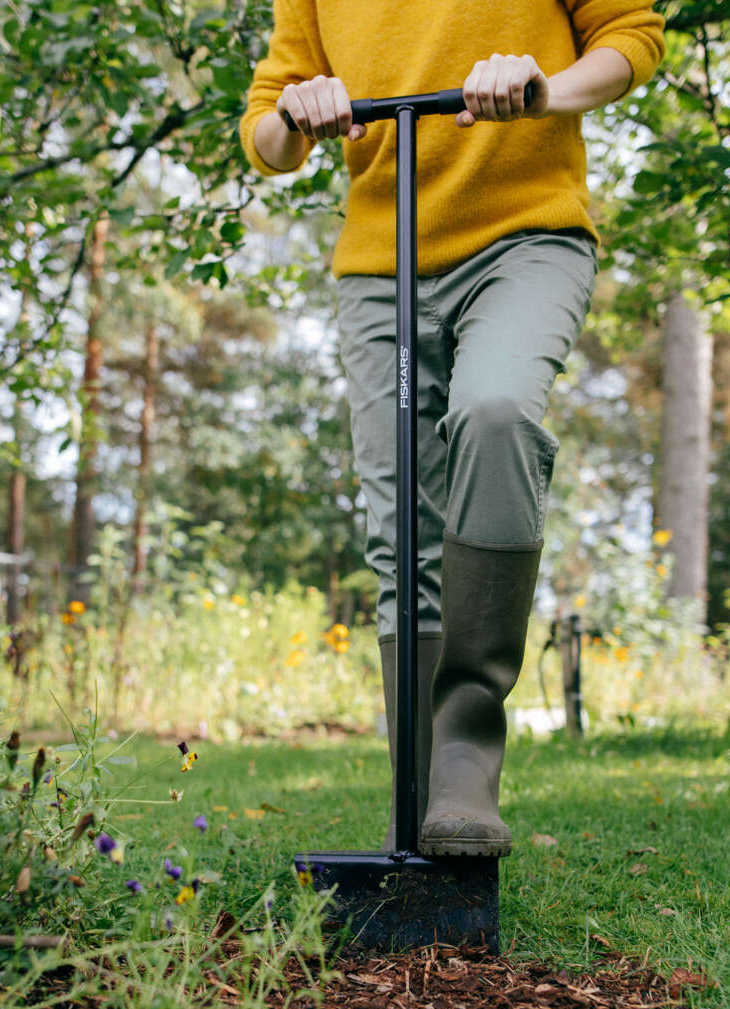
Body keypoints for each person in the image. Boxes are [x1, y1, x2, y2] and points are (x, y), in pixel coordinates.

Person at [240, 2, 665, 856]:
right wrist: (297, 113)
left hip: (523, 237)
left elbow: (632, 38)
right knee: (401, 524)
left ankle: (467, 746)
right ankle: (421, 793)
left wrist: (545, 90)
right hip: (380, 266)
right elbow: (266, 132)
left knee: (496, 408)